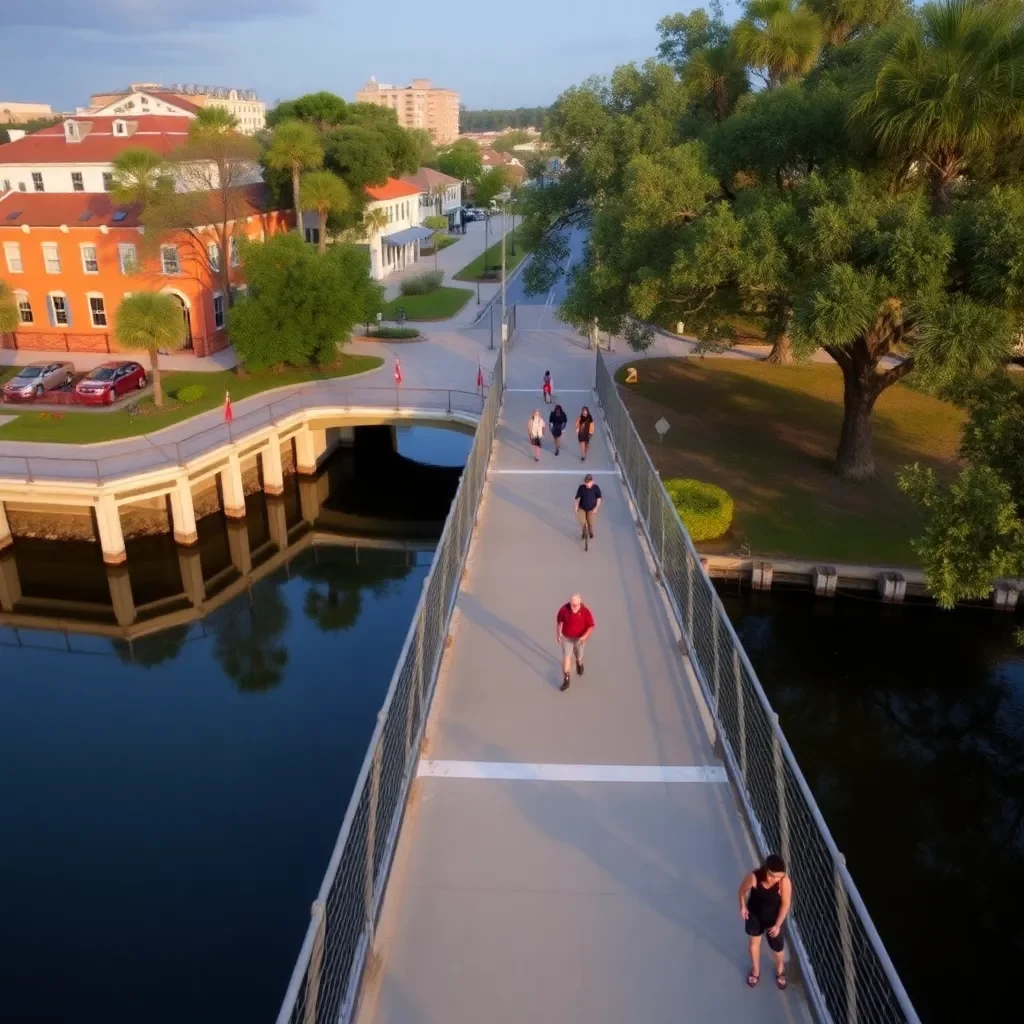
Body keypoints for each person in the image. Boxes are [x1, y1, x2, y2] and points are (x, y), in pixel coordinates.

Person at [738, 854, 793, 990]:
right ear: (765, 870)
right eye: (772, 876)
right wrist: (743, 907)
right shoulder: (754, 877)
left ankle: (780, 970)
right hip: (754, 916)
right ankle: (755, 971)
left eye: (779, 877)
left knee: (777, 949)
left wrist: (778, 925)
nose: (775, 880)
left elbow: (785, 904)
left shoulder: (784, 882)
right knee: (753, 946)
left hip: (773, 920)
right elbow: (741, 892)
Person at [555, 593, 595, 691]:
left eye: (575, 605)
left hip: (579, 639)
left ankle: (579, 664)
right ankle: (566, 680)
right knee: (567, 657)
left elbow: (591, 626)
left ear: (580, 603)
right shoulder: (564, 610)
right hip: (566, 638)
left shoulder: (585, 612)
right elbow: (559, 622)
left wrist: (584, 637)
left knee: (579, 656)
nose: (573, 607)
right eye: (571, 604)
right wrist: (558, 633)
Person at [574, 474, 602, 540]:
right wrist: (576, 507)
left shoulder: (596, 488)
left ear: (592, 482)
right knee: (582, 522)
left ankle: (590, 529)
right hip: (582, 508)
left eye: (588, 483)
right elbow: (577, 498)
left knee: (590, 522)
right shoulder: (581, 487)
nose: (586, 484)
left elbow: (599, 498)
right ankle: (584, 530)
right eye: (585, 482)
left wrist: (596, 508)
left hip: (591, 509)